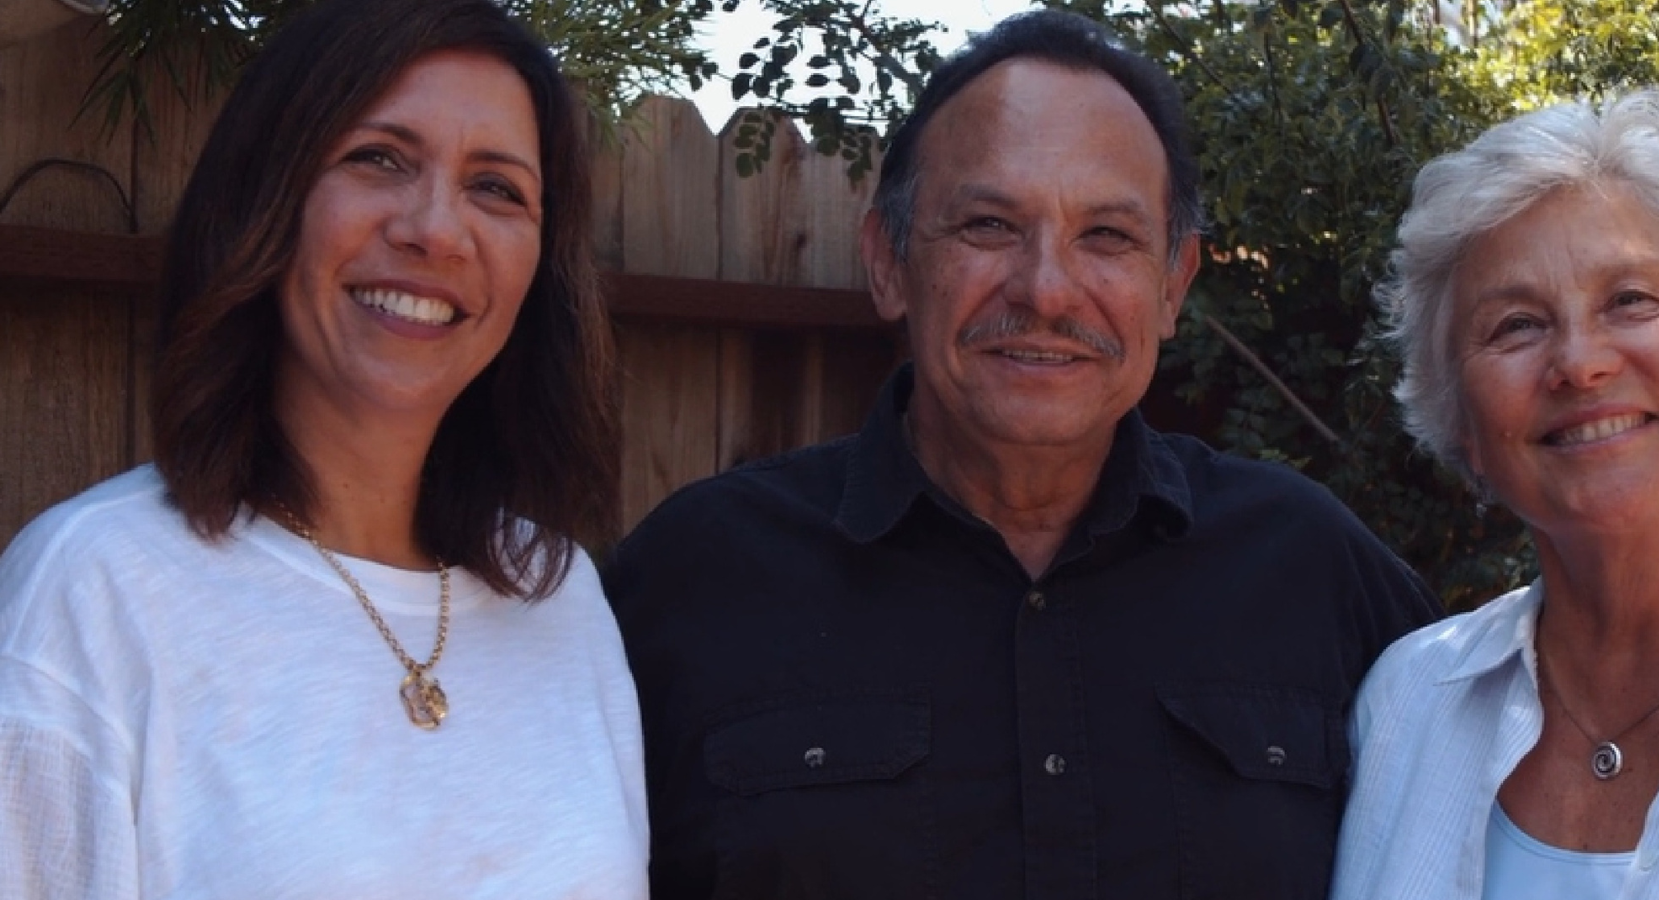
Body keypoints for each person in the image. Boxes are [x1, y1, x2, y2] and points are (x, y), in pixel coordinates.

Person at [603, 10, 1439, 899]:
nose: (1045, 289)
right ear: (887, 261)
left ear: (1172, 285)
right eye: (990, 225)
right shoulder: (692, 582)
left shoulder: (1319, 576)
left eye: (1108, 237)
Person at [0, 0, 648, 896]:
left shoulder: (559, 594)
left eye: (496, 187)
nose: (435, 228)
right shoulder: (96, 587)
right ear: (268, 197)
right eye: (378, 158)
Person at [1331, 90, 1659, 898]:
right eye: (1515, 324)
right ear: (1465, 427)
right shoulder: (1405, 704)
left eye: (1631, 299)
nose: (1579, 363)